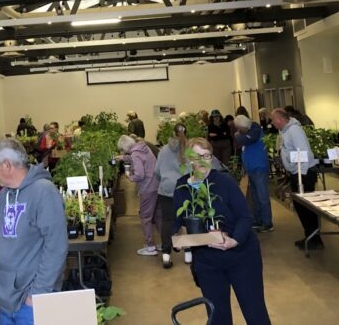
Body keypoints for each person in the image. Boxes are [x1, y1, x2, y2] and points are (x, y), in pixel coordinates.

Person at [172, 138, 271, 325]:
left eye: (207, 156)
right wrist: (179, 240)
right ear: (188, 159)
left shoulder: (225, 182)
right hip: (207, 262)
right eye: (197, 156)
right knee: (218, 316)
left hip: (241, 256)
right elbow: (178, 222)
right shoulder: (182, 187)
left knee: (255, 312)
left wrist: (235, 240)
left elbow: (245, 217)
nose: (203, 161)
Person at [0, 138, 67, 324]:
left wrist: (38, 294)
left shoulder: (44, 192)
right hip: (6, 298)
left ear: (7, 165)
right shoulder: (2, 197)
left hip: (31, 301)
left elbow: (56, 247)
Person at [270, 109, 321, 250]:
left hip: (303, 173)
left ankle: (314, 239)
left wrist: (301, 174)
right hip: (296, 172)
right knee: (300, 207)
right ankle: (309, 235)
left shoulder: (294, 131)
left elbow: (304, 152)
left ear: (280, 119)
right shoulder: (285, 131)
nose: (272, 123)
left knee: (307, 207)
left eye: (273, 120)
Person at [116, 135, 161, 256]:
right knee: (158, 215)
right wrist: (124, 158)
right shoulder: (144, 147)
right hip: (156, 185)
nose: (123, 152)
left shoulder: (135, 154)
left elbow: (140, 175)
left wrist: (130, 177)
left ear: (125, 147)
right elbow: (139, 157)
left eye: (122, 150)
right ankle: (165, 243)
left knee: (145, 217)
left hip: (147, 188)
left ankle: (150, 247)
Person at [154, 124, 187, 268]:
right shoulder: (189, 149)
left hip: (166, 190)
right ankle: (188, 254)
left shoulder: (163, 150)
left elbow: (157, 171)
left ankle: (166, 255)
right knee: (187, 221)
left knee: (167, 221)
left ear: (172, 133)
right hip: (185, 189)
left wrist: (164, 180)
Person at [234, 116, 274, 233]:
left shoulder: (255, 130)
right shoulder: (249, 131)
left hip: (259, 168)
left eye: (240, 128)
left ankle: (267, 223)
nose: (239, 130)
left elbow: (244, 140)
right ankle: (259, 220)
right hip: (252, 168)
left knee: (262, 197)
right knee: (255, 197)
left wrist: (238, 136)